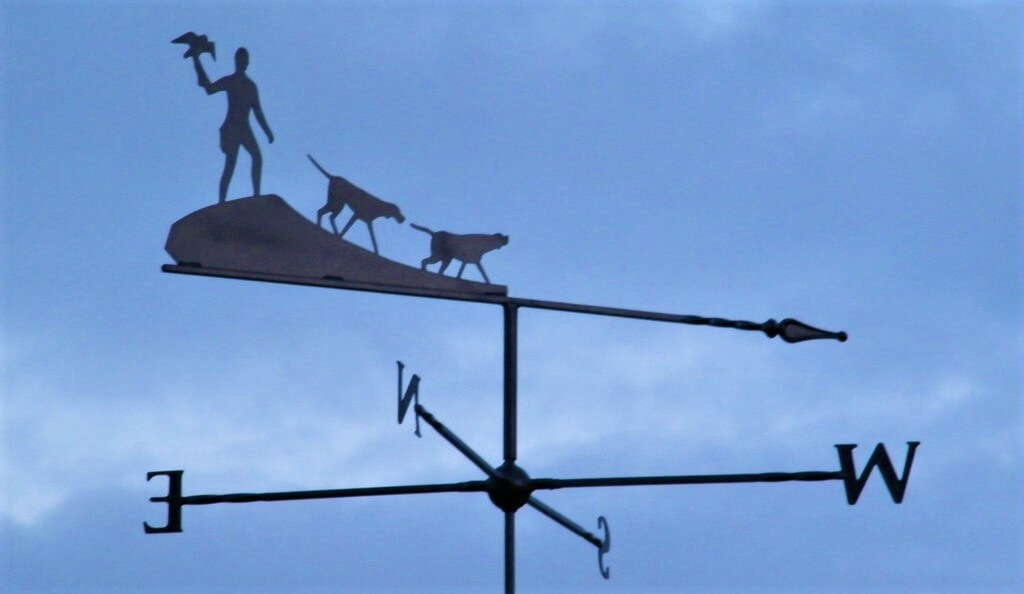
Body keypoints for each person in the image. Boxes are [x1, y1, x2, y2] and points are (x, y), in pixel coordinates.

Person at [192, 47, 274, 202]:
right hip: (232, 127)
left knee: (257, 157)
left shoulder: (251, 86)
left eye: (244, 59)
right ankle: (222, 200)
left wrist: (267, 131)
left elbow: (258, 111)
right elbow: (209, 89)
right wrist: (196, 59)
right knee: (231, 164)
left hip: (244, 127)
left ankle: (256, 195)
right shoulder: (231, 81)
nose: (242, 62)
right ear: (236, 61)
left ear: (247, 63)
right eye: (240, 59)